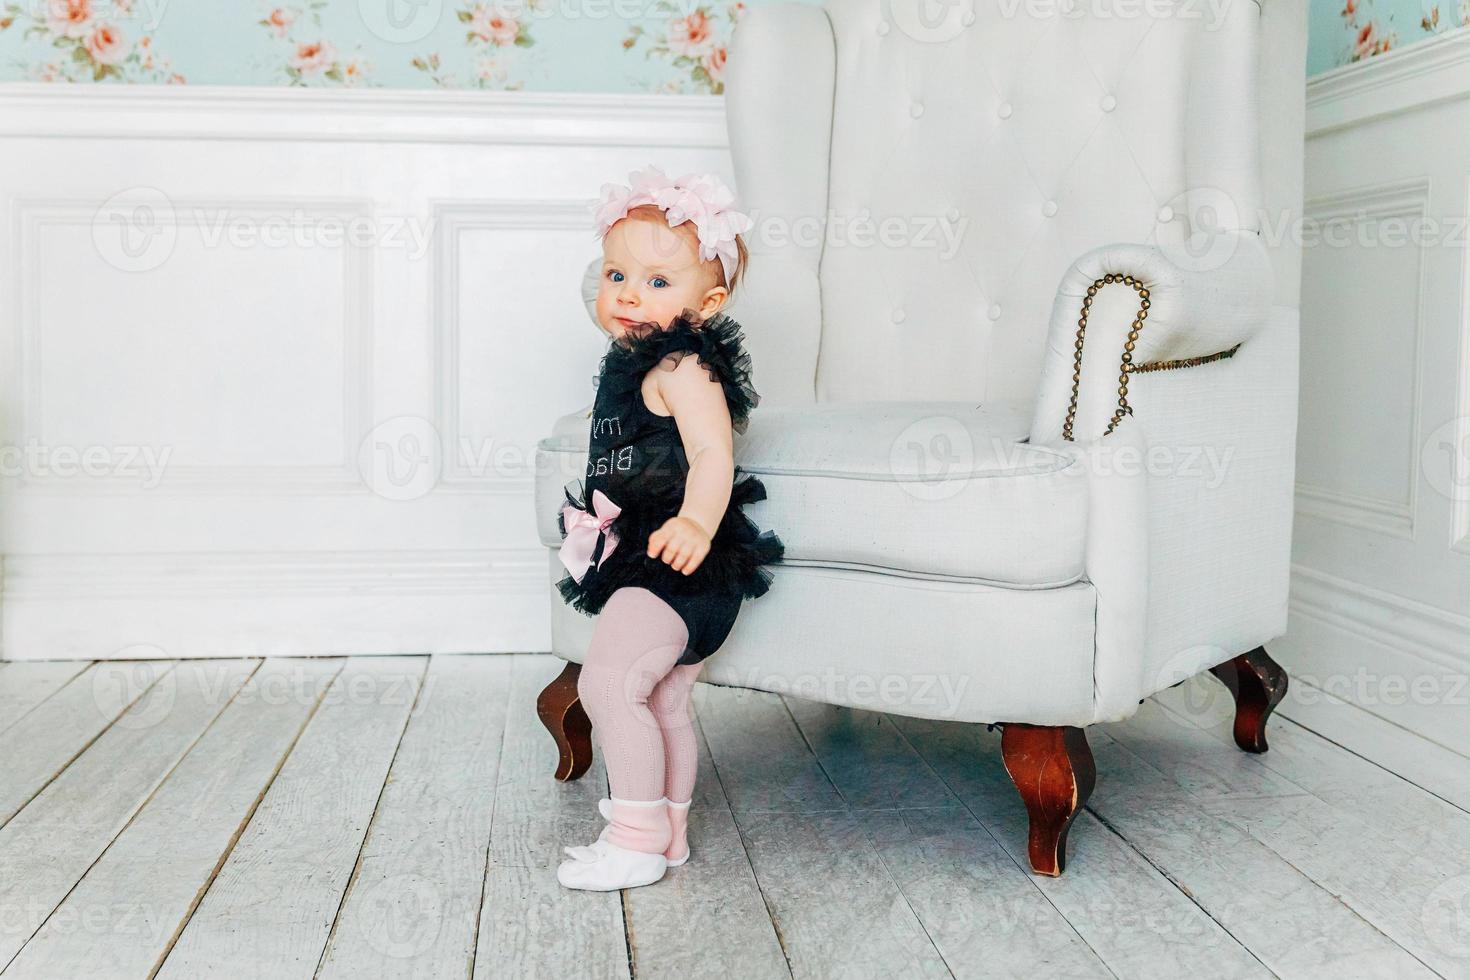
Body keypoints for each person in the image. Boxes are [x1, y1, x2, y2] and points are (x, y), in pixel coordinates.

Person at [554, 165, 784, 891]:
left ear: (707, 303)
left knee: (610, 684)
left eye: (659, 281)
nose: (628, 292)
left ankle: (635, 836)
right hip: (656, 559)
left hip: (676, 560)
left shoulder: (684, 365)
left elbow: (715, 451)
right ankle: (671, 830)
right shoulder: (631, 361)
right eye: (617, 272)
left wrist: (694, 519)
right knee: (663, 698)